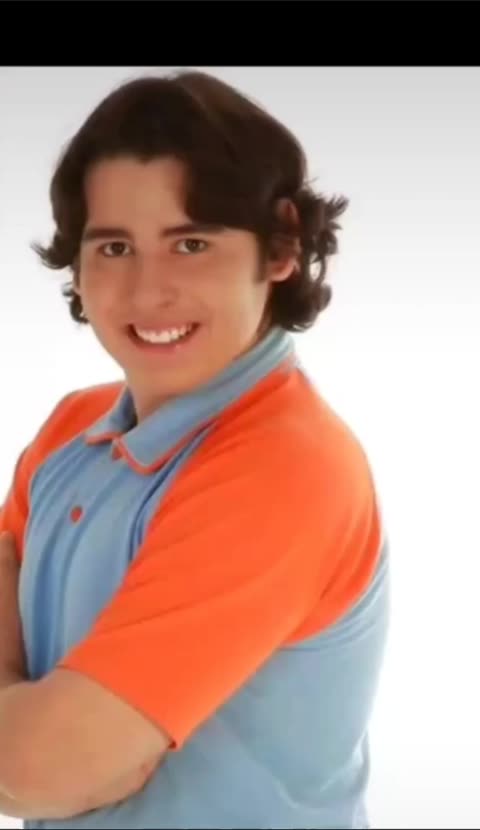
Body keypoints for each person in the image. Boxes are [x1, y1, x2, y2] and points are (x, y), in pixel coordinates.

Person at [0, 70, 390, 829]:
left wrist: (41, 748)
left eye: (192, 243)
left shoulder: (284, 468)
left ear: (281, 247)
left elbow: (45, 772)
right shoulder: (73, 426)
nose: (149, 292)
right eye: (116, 246)